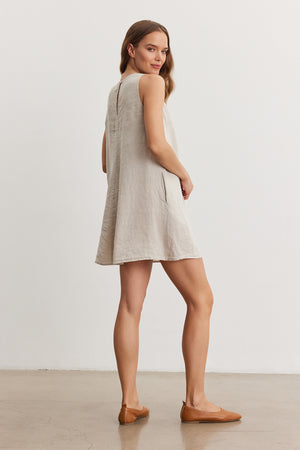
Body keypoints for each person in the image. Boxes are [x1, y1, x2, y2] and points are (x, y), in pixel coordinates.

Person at [94, 20, 242, 425]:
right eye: (150, 49)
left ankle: (130, 402)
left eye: (164, 51)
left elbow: (106, 161)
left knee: (129, 305)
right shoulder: (150, 86)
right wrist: (185, 174)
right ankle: (196, 400)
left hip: (127, 207)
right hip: (159, 202)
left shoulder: (114, 93)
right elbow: (157, 144)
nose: (159, 58)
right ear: (130, 49)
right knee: (201, 298)